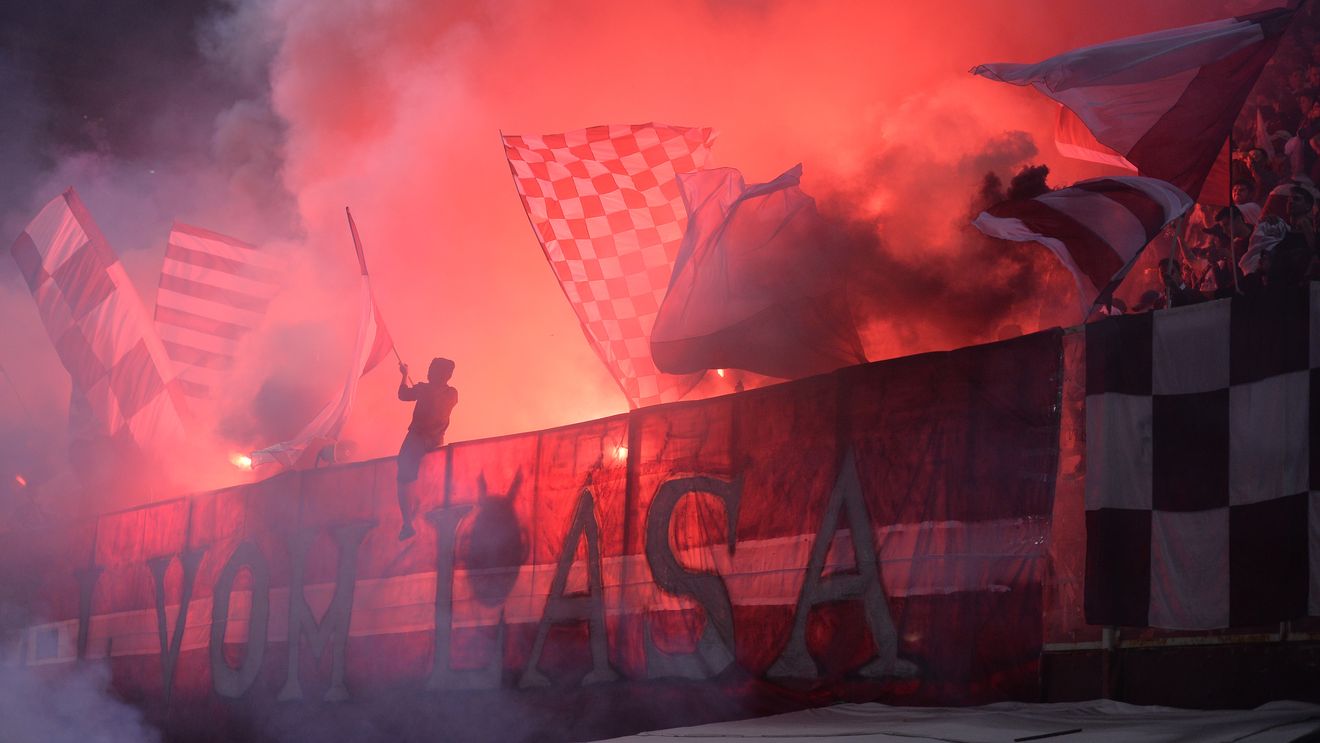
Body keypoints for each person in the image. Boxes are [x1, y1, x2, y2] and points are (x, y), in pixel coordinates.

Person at [396, 357, 458, 540]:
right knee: (420, 479)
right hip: (436, 442)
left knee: (404, 477)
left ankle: (408, 522)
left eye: (433, 369)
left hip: (418, 440)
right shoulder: (452, 393)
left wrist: (405, 376)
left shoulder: (426, 389)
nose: (429, 371)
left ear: (444, 375)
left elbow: (403, 394)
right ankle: (411, 519)